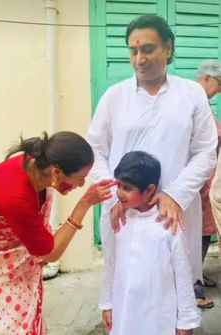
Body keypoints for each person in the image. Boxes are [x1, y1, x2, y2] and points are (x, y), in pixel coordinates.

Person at [87, 14, 217, 295]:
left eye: (147, 49)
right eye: (133, 51)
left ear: (168, 49)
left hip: (174, 212)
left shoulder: (191, 94)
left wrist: (175, 194)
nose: (139, 59)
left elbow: (205, 151)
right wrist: (116, 195)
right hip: (124, 213)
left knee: (175, 291)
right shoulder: (114, 96)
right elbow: (95, 151)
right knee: (127, 289)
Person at [0, 131, 117, 335]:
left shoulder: (38, 165)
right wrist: (84, 204)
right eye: (80, 179)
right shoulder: (16, 195)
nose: (81, 185)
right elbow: (49, 252)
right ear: (56, 173)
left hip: (17, 266)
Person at [100, 151, 200, 335]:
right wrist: (107, 304)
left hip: (158, 316)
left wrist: (185, 321)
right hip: (125, 309)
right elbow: (111, 264)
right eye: (119, 186)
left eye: (127, 189)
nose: (120, 193)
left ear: (150, 190)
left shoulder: (167, 223)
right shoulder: (119, 219)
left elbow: (182, 273)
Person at [194, 60, 221, 308]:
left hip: (209, 182)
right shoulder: (191, 102)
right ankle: (193, 288)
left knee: (204, 232)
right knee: (196, 235)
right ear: (205, 79)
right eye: (218, 85)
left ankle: (197, 275)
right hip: (197, 182)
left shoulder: (204, 103)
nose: (219, 91)